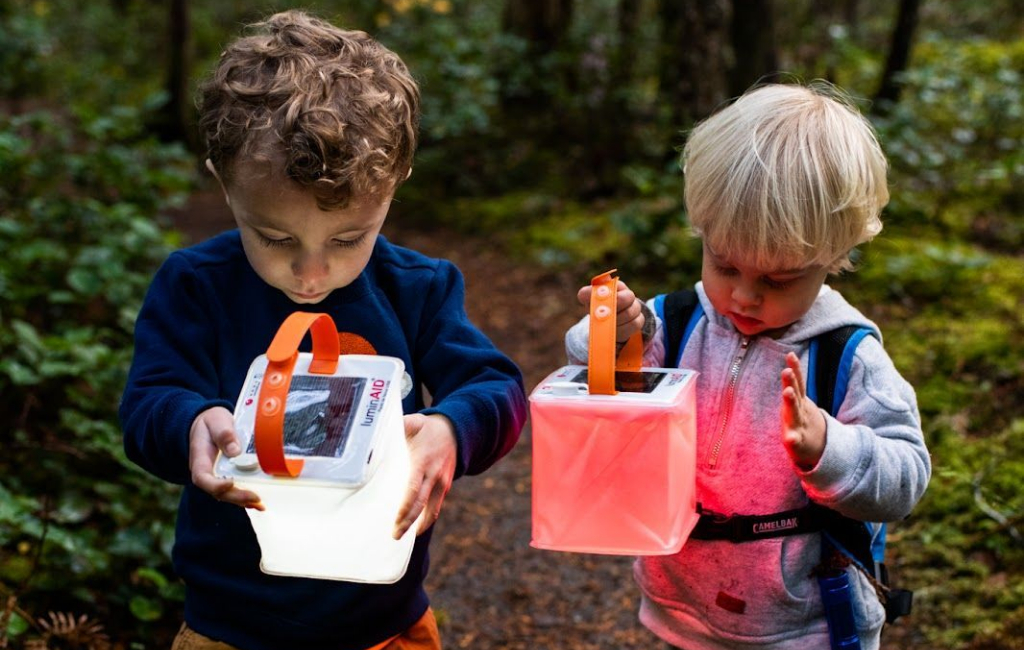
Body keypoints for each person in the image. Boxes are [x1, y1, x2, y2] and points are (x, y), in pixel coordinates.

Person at [119, 11, 526, 650]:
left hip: (384, 623)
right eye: (276, 238)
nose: (312, 274)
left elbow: (495, 385)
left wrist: (452, 429)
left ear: (395, 187)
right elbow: (149, 401)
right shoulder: (196, 286)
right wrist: (190, 422)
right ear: (225, 184)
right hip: (231, 626)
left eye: (348, 238)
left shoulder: (417, 289)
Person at [564, 82, 931, 649]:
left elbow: (906, 475)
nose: (743, 297)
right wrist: (615, 340)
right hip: (682, 611)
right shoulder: (677, 323)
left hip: (806, 626)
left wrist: (829, 448)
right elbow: (608, 390)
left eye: (778, 280)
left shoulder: (846, 357)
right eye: (724, 264)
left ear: (833, 259)